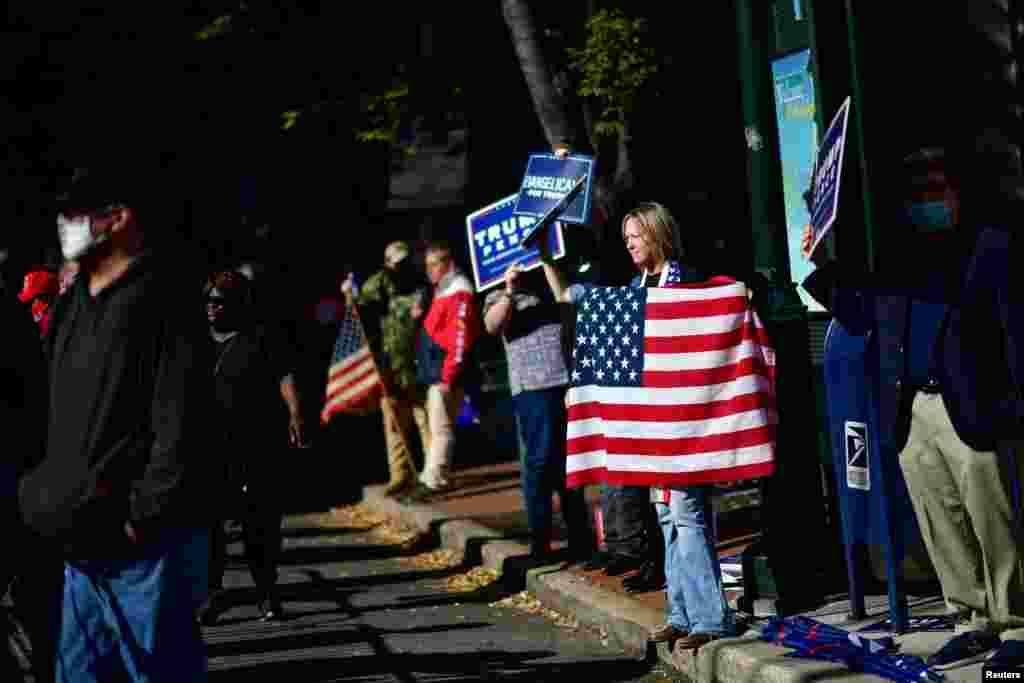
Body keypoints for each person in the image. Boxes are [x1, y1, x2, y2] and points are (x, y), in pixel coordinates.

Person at [800, 136, 1024, 670]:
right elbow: (861, 312)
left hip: (973, 406)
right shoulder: (899, 252)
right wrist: (818, 262)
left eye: (936, 188)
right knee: (939, 520)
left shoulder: (990, 245)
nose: (927, 198)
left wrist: (1014, 405)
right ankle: (970, 618)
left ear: (957, 191)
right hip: (912, 409)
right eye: (917, 190)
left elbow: (1014, 329)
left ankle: (1015, 624)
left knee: (994, 518)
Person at [16, 161, 214, 682]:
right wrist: (40, 497)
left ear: (119, 218)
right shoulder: (71, 306)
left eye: (77, 214)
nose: (66, 225)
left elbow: (180, 419)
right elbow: (45, 413)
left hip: (140, 554)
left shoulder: (165, 299)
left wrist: (142, 515)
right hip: (75, 548)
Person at [539, 202, 733, 650]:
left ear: (658, 235)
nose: (629, 245)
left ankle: (710, 617)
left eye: (636, 237)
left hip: (684, 427)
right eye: (626, 238)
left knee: (688, 515)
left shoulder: (686, 281)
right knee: (666, 516)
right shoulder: (633, 286)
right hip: (651, 428)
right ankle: (680, 613)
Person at [198, 270, 307, 625]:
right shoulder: (196, 340)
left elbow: (283, 374)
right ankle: (212, 595)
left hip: (256, 445)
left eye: (219, 300)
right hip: (210, 448)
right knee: (209, 528)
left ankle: (267, 594)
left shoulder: (260, 337)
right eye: (209, 300)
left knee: (259, 526)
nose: (212, 307)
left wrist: (294, 412)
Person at [483, 260, 593, 560]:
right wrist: (510, 289)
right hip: (532, 388)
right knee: (541, 463)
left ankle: (580, 538)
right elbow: (492, 325)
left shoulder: (549, 279)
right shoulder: (497, 291)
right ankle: (541, 542)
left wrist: (546, 260)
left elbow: (566, 301)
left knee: (571, 464)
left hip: (565, 383)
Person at [342, 241, 432, 497]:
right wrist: (350, 293)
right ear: (388, 263)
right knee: (394, 425)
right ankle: (400, 475)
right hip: (391, 364)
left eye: (405, 261)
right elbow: (359, 303)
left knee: (425, 420)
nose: (401, 267)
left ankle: (432, 474)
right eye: (396, 263)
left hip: (417, 363)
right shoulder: (381, 283)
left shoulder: (420, 285)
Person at [402, 240, 481, 503]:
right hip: (437, 372)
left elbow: (460, 337)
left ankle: (434, 481)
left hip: (445, 375)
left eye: (433, 264)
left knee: (441, 428)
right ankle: (433, 477)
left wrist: (449, 374)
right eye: (427, 266)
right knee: (439, 428)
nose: (429, 270)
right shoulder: (443, 290)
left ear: (448, 263)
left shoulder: (459, 291)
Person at [17, 267, 60, 337]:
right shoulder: (35, 309)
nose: (34, 302)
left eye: (36, 297)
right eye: (32, 298)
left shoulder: (55, 312)